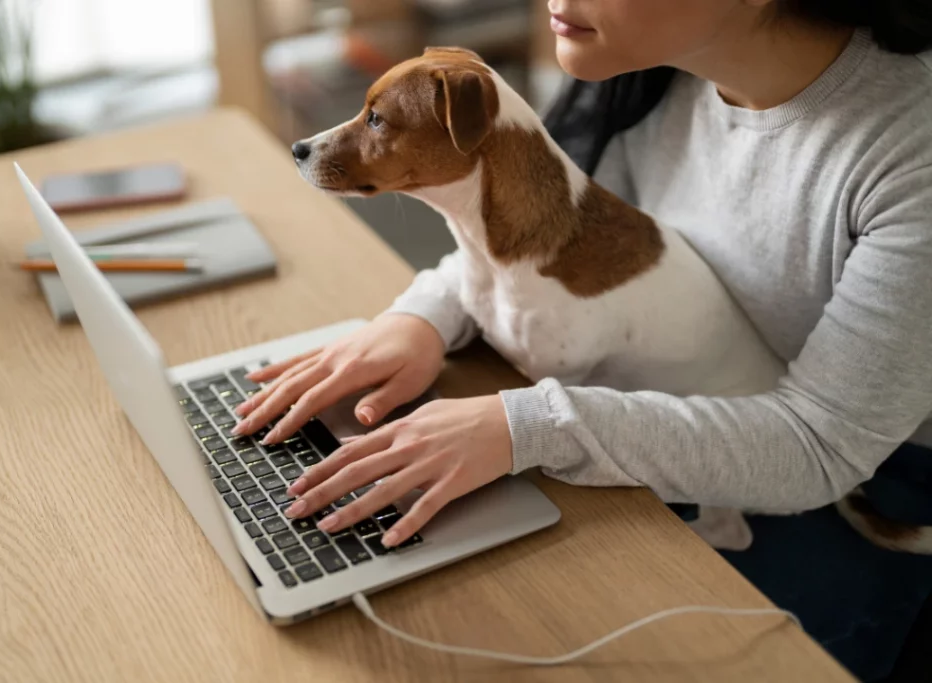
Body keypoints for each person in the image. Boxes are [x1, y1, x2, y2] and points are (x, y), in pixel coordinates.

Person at [233, 1, 932, 679]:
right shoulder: (653, 68)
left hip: (857, 483)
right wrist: (419, 318)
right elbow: (553, 245)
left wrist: (525, 425)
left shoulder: (910, 152)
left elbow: (821, 447)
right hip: (655, 408)